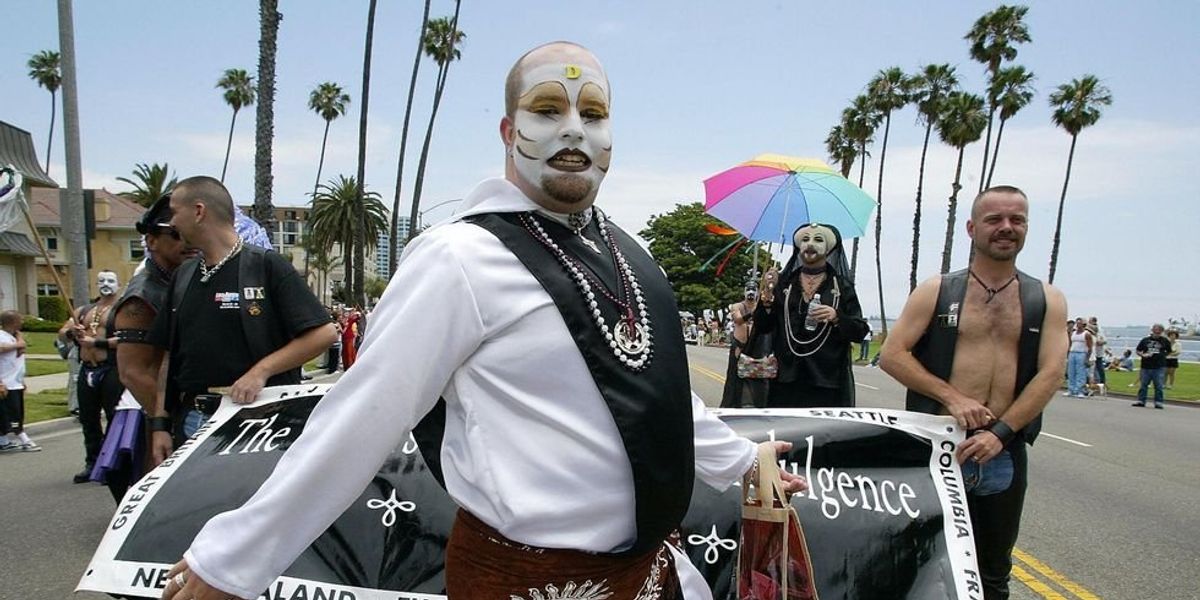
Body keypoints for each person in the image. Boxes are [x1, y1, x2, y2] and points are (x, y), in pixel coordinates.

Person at [161, 42, 804, 600]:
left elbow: (651, 391)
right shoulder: (458, 259)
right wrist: (235, 559)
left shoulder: (629, 254)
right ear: (506, 130)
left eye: (594, 114)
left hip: (648, 575)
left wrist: (743, 462)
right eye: (548, 110)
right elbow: (359, 420)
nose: (574, 130)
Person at [879, 185, 1067, 600]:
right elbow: (892, 355)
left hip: (1004, 451)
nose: (1006, 228)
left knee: (993, 571)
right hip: (940, 450)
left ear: (1026, 228)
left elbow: (1051, 373)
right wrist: (954, 398)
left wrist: (1001, 433)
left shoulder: (1045, 299)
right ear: (971, 228)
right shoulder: (938, 290)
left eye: (1016, 220)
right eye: (994, 219)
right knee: (923, 558)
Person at [147, 176, 336, 445]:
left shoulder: (265, 267)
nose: (172, 222)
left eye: (175, 212)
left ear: (199, 211)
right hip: (192, 422)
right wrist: (160, 424)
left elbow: (324, 334)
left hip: (260, 421)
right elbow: (169, 357)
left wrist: (261, 371)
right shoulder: (183, 276)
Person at [93, 194, 191, 502]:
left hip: (171, 406)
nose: (186, 241)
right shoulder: (143, 295)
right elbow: (134, 372)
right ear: (151, 240)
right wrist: (171, 421)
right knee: (161, 500)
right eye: (174, 234)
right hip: (151, 412)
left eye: (188, 232)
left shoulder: (178, 281)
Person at [754, 223, 869, 408]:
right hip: (785, 378)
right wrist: (766, 301)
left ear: (828, 248)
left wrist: (837, 317)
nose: (810, 244)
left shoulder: (841, 286)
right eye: (805, 240)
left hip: (826, 379)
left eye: (818, 240)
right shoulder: (784, 283)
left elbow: (860, 330)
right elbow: (764, 326)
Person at [58, 270, 124, 484]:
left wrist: (96, 343)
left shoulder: (122, 309)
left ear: (118, 284)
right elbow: (62, 332)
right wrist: (73, 333)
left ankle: (111, 463)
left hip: (110, 369)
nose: (106, 284)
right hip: (87, 369)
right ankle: (92, 462)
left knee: (114, 418)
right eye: (101, 280)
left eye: (110, 280)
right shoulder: (84, 310)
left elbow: (126, 338)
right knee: (89, 419)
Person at [0, 310, 39, 452]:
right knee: (14, 415)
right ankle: (24, 439)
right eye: (20, 320)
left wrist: (21, 380)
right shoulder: (1, 336)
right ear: (13, 322)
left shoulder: (13, 336)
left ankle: (3, 441)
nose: (22, 322)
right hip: (5, 384)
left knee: (6, 414)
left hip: (15, 382)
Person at [720, 283, 762, 408]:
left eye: (753, 289)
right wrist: (752, 313)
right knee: (734, 376)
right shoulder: (737, 306)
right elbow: (738, 320)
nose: (750, 292)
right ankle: (731, 404)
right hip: (740, 345)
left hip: (756, 346)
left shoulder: (760, 306)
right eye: (748, 289)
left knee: (755, 376)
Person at [1132, 324, 1171, 409]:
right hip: (1146, 366)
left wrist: (1162, 356)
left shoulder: (1165, 341)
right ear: (1152, 330)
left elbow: (1169, 351)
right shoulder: (1145, 340)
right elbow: (1138, 350)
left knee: (1158, 385)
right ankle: (1141, 400)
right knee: (1144, 384)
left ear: (1161, 331)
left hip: (1159, 366)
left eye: (1159, 330)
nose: (1157, 332)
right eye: (1155, 330)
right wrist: (1143, 355)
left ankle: (1158, 402)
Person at [1065, 318, 1093, 397]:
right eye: (1077, 323)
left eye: (1079, 323)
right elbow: (1070, 344)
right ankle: (1071, 390)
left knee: (1080, 373)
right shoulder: (1073, 333)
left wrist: (1087, 358)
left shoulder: (1086, 334)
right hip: (1072, 353)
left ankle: (1080, 391)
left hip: (1081, 353)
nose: (1077, 325)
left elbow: (1090, 347)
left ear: (1083, 325)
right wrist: (1068, 354)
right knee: (1071, 372)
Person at [1087, 317, 1107, 389]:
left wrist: (1099, 342)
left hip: (1098, 353)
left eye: (1090, 321)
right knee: (1092, 370)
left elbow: (1104, 341)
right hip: (1092, 352)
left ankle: (1102, 382)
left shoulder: (1100, 330)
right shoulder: (1088, 330)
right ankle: (1094, 383)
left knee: (1100, 368)